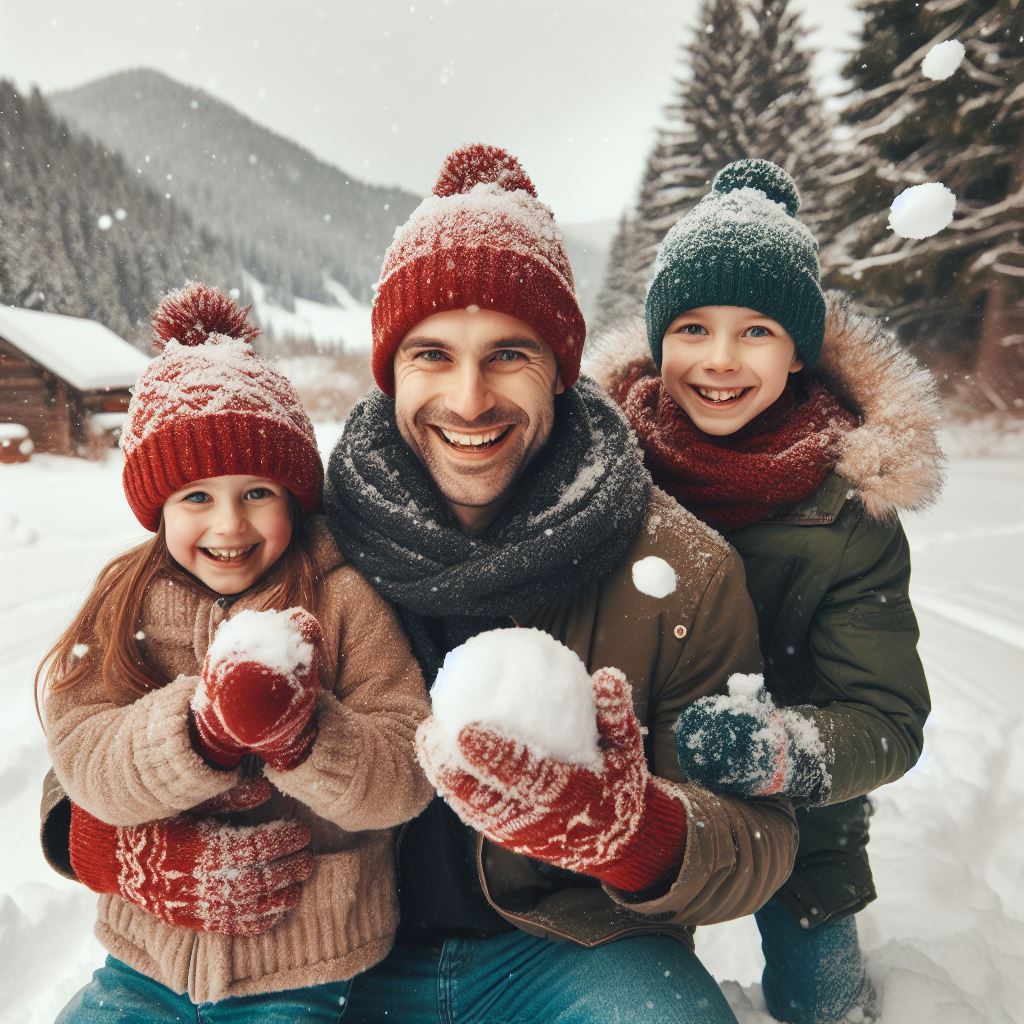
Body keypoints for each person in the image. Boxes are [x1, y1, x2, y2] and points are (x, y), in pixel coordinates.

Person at [41, 146, 798, 1024]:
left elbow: (760, 841)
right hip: (330, 963)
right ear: (390, 370)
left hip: (567, 951)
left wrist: (636, 835)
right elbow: (87, 741)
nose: (469, 399)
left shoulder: (680, 572)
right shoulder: (292, 533)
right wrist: (114, 852)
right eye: (432, 354)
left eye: (508, 353)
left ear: (560, 364)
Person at [594, 158, 941, 1024]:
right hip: (629, 806)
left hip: (800, 823)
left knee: (820, 1005)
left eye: (756, 332)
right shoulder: (602, 475)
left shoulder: (849, 510)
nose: (718, 360)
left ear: (798, 352)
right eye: (692, 329)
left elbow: (887, 719)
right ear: (656, 339)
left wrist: (783, 752)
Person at [37, 283, 432, 1022]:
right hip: (140, 966)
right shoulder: (125, 602)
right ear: (156, 508)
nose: (229, 524)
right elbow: (82, 756)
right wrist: (196, 731)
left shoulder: (344, 598)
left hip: (306, 969)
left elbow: (405, 774)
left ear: (294, 496)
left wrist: (309, 735)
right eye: (195, 498)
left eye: (257, 492)